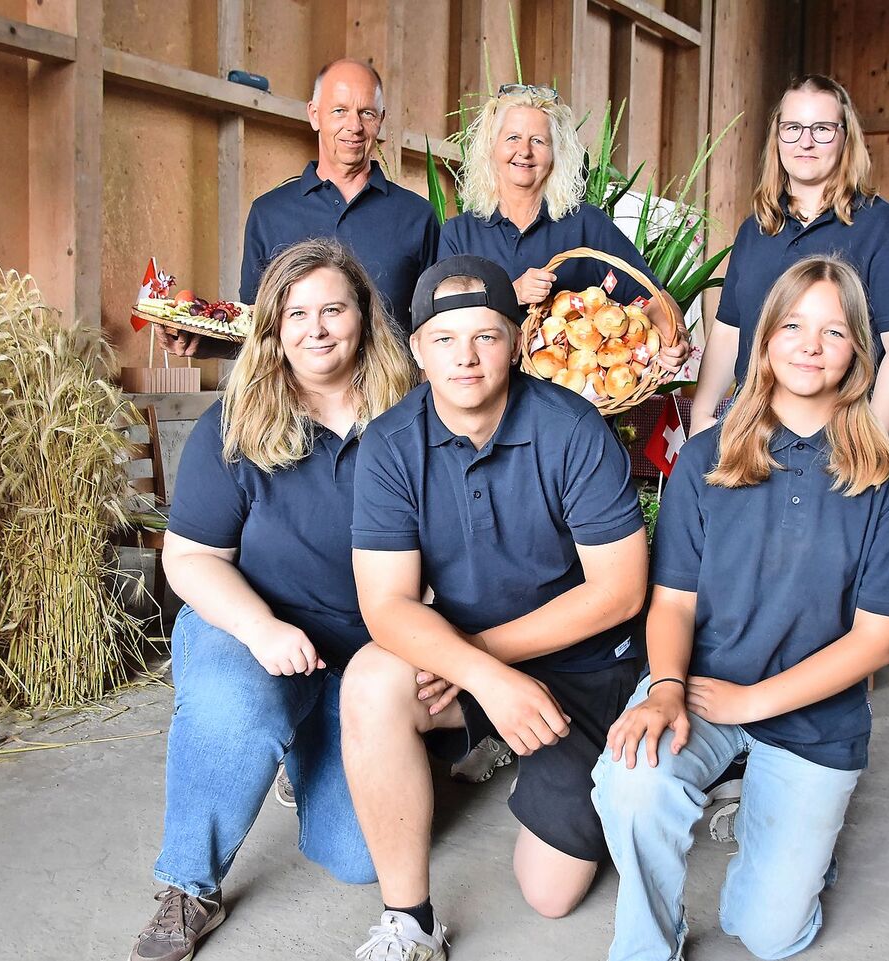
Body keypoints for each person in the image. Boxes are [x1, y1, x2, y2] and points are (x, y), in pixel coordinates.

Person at [591, 255, 889, 961]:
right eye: (793, 326)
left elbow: (881, 639)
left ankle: (791, 835)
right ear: (765, 338)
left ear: (858, 352)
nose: (810, 345)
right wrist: (667, 688)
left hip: (814, 714)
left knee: (769, 934)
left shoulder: (886, 476)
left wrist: (754, 703)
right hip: (704, 687)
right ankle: (647, 945)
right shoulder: (705, 459)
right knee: (634, 779)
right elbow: (673, 601)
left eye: (834, 331)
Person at [343, 255, 649, 959]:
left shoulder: (572, 427)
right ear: (418, 351)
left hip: (584, 668)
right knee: (371, 679)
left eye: (486, 335)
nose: (466, 357)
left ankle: (633, 775)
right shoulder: (390, 443)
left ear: (517, 342)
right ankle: (409, 922)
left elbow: (621, 590)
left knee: (549, 893)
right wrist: (485, 678)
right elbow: (386, 606)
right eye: (445, 339)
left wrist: (482, 661)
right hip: (474, 667)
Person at [129, 240, 415, 961]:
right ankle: (190, 886)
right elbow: (190, 559)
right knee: (236, 705)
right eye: (297, 314)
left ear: (364, 317)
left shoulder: (413, 416)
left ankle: (304, 742)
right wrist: (260, 628)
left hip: (365, 656)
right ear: (274, 329)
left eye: (334, 309)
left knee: (360, 858)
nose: (317, 329)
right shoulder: (237, 422)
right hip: (253, 633)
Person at [690, 75, 889, 436]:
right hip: (750, 430)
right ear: (777, 137)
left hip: (837, 433)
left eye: (822, 129)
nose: (805, 141)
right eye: (793, 128)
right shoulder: (755, 230)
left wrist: (869, 439)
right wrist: (701, 413)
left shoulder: (886, 229)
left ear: (846, 137)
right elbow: (729, 331)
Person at [154, 58, 438, 359]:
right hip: (292, 391)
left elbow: (437, 330)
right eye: (339, 111)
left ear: (380, 119)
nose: (354, 126)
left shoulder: (418, 217)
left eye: (366, 113)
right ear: (314, 115)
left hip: (390, 389)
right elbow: (256, 329)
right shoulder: (269, 214)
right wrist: (204, 344)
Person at [440, 83, 688, 369]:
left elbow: (652, 299)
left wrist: (675, 337)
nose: (524, 151)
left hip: (570, 394)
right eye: (512, 138)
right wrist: (510, 293)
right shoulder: (459, 234)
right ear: (491, 147)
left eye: (538, 141)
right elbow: (443, 322)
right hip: (481, 391)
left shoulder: (587, 225)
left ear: (556, 154)